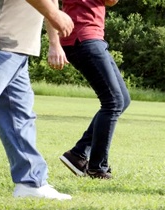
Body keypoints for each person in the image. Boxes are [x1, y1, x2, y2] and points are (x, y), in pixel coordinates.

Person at [0, 0, 74, 200]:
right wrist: (55, 15)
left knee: (18, 115)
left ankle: (31, 182)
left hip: (16, 45)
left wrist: (54, 42)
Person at [48, 0, 130, 179]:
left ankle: (78, 154)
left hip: (91, 37)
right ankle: (97, 167)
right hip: (83, 37)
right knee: (113, 102)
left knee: (122, 99)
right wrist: (54, 44)